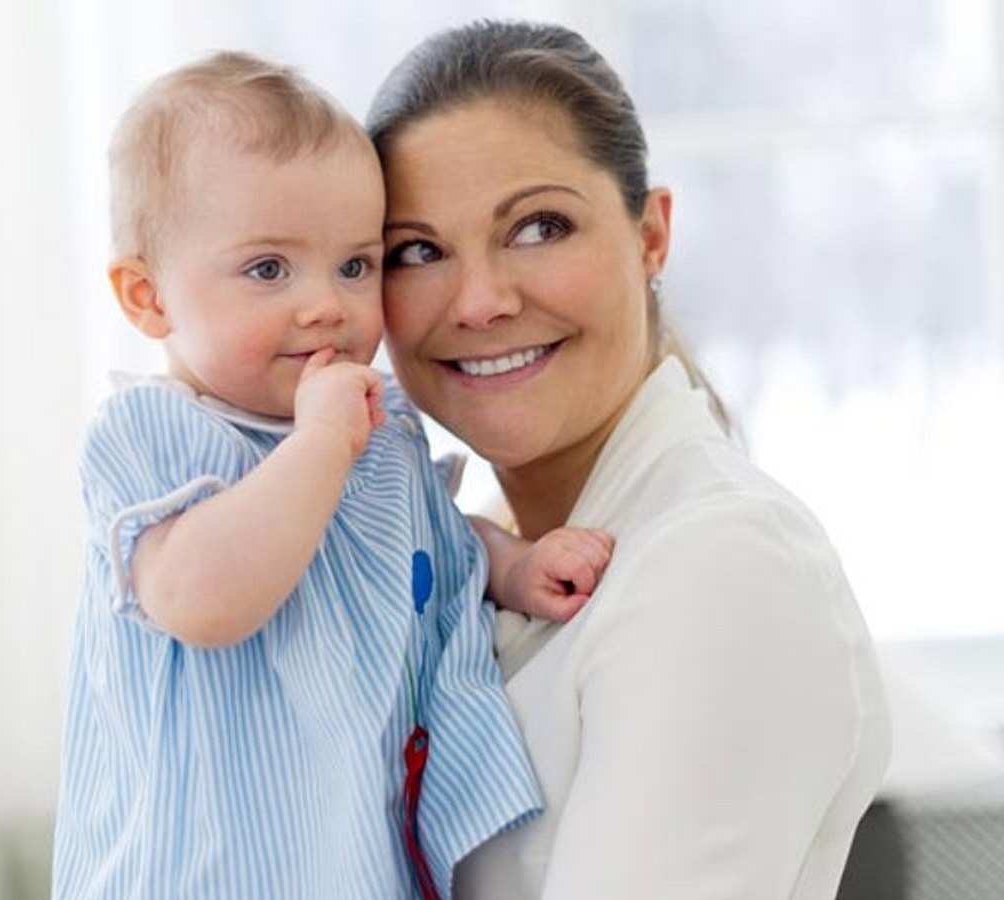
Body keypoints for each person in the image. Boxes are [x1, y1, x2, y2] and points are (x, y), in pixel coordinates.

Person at [52, 51, 617, 900]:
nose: (326, 305)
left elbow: (413, 535)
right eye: (269, 270)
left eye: (355, 266)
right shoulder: (155, 433)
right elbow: (203, 600)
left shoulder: (372, 424)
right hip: (196, 870)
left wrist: (510, 565)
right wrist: (318, 446)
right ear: (149, 299)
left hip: (352, 855)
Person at [367, 20, 891, 900]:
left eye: (539, 226)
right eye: (416, 252)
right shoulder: (470, 556)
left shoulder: (716, 564)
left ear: (651, 235)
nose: (482, 301)